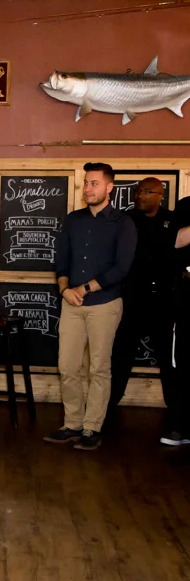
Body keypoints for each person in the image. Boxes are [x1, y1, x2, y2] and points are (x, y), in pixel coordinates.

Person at [45, 162, 136, 451]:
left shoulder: (123, 223)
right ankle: (72, 424)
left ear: (109, 187)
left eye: (94, 183)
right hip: (71, 303)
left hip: (104, 304)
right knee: (68, 366)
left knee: (99, 368)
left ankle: (92, 427)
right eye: (86, 183)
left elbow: (121, 269)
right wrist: (64, 290)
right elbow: (61, 261)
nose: (88, 188)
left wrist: (82, 289)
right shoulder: (73, 220)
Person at [108, 178, 177, 427]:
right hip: (133, 299)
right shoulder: (126, 220)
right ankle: (106, 408)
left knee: (168, 361)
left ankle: (176, 415)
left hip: (163, 301)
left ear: (160, 195)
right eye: (138, 191)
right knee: (121, 356)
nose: (140, 195)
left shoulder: (172, 220)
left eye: (147, 192)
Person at [162, 203, 190, 446]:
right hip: (187, 292)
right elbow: (175, 240)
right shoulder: (186, 205)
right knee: (183, 360)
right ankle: (181, 427)